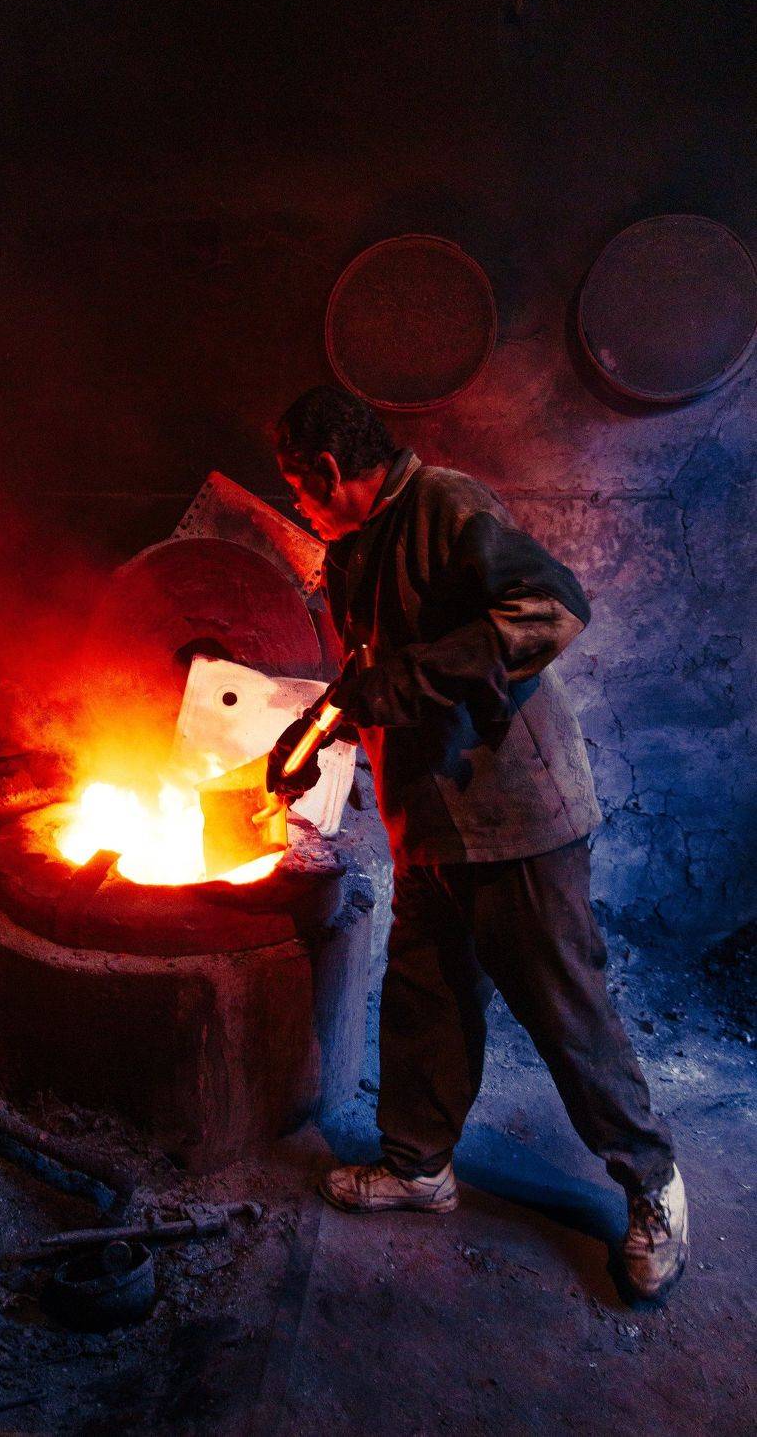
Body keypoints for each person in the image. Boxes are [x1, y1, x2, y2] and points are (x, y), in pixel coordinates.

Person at [266, 385, 687, 1302]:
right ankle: (418, 1167)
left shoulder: (445, 505)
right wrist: (319, 725)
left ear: (329, 471)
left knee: (564, 1011)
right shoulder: (356, 547)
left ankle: (651, 1184)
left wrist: (393, 686)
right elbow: (378, 668)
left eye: (297, 488)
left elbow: (549, 608)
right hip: (431, 824)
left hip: (514, 819)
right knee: (427, 999)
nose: (298, 504)